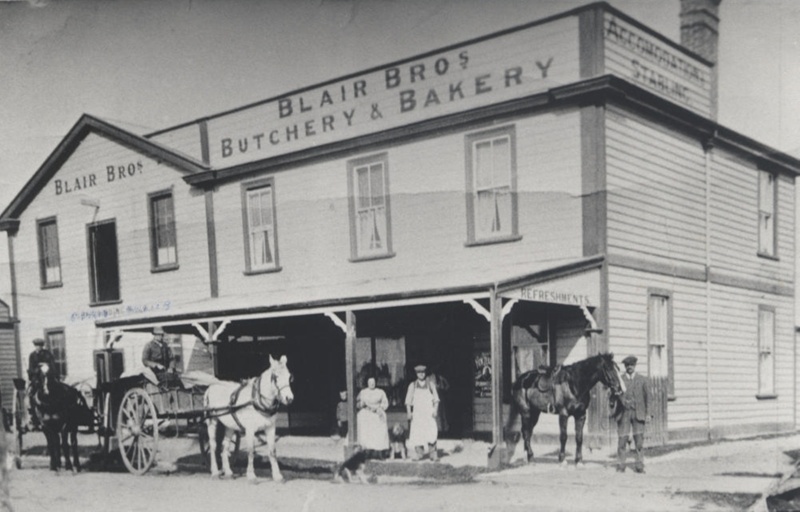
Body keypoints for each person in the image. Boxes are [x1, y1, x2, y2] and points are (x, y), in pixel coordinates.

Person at [615, 355, 650, 473]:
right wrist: (621, 400)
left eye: (631, 365)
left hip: (638, 413)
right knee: (622, 439)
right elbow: (615, 395)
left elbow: (648, 398)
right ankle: (621, 465)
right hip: (624, 413)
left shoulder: (643, 379)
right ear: (625, 366)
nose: (629, 367)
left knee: (639, 441)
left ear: (635, 365)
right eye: (627, 365)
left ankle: (639, 465)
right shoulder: (620, 380)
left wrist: (649, 413)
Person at [405, 364, 440, 461]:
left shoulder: (430, 384)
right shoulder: (412, 385)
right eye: (419, 373)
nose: (421, 374)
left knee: (431, 432)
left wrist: (435, 410)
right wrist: (409, 412)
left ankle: (433, 453)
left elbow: (436, 399)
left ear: (425, 373)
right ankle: (419, 453)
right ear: (416, 374)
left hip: (428, 413)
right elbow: (408, 401)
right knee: (417, 433)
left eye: (423, 372)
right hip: (418, 414)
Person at [26, 338, 57, 430]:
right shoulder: (32, 355)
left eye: (40, 346)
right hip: (37, 378)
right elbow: (30, 368)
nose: (38, 347)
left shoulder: (48, 354)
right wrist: (37, 370)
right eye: (36, 346)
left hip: (48, 376)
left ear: (42, 346)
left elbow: (53, 365)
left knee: (55, 388)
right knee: (31, 393)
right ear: (35, 346)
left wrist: (47, 368)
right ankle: (33, 414)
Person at [356, 377, 390, 459]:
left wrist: (380, 408)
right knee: (366, 431)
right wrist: (362, 405)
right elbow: (358, 403)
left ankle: (380, 452)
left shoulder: (380, 392)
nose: (372, 384)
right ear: (367, 383)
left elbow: (385, 403)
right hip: (367, 413)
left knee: (380, 430)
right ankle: (366, 451)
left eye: (373, 382)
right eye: (370, 382)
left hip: (377, 412)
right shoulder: (363, 392)